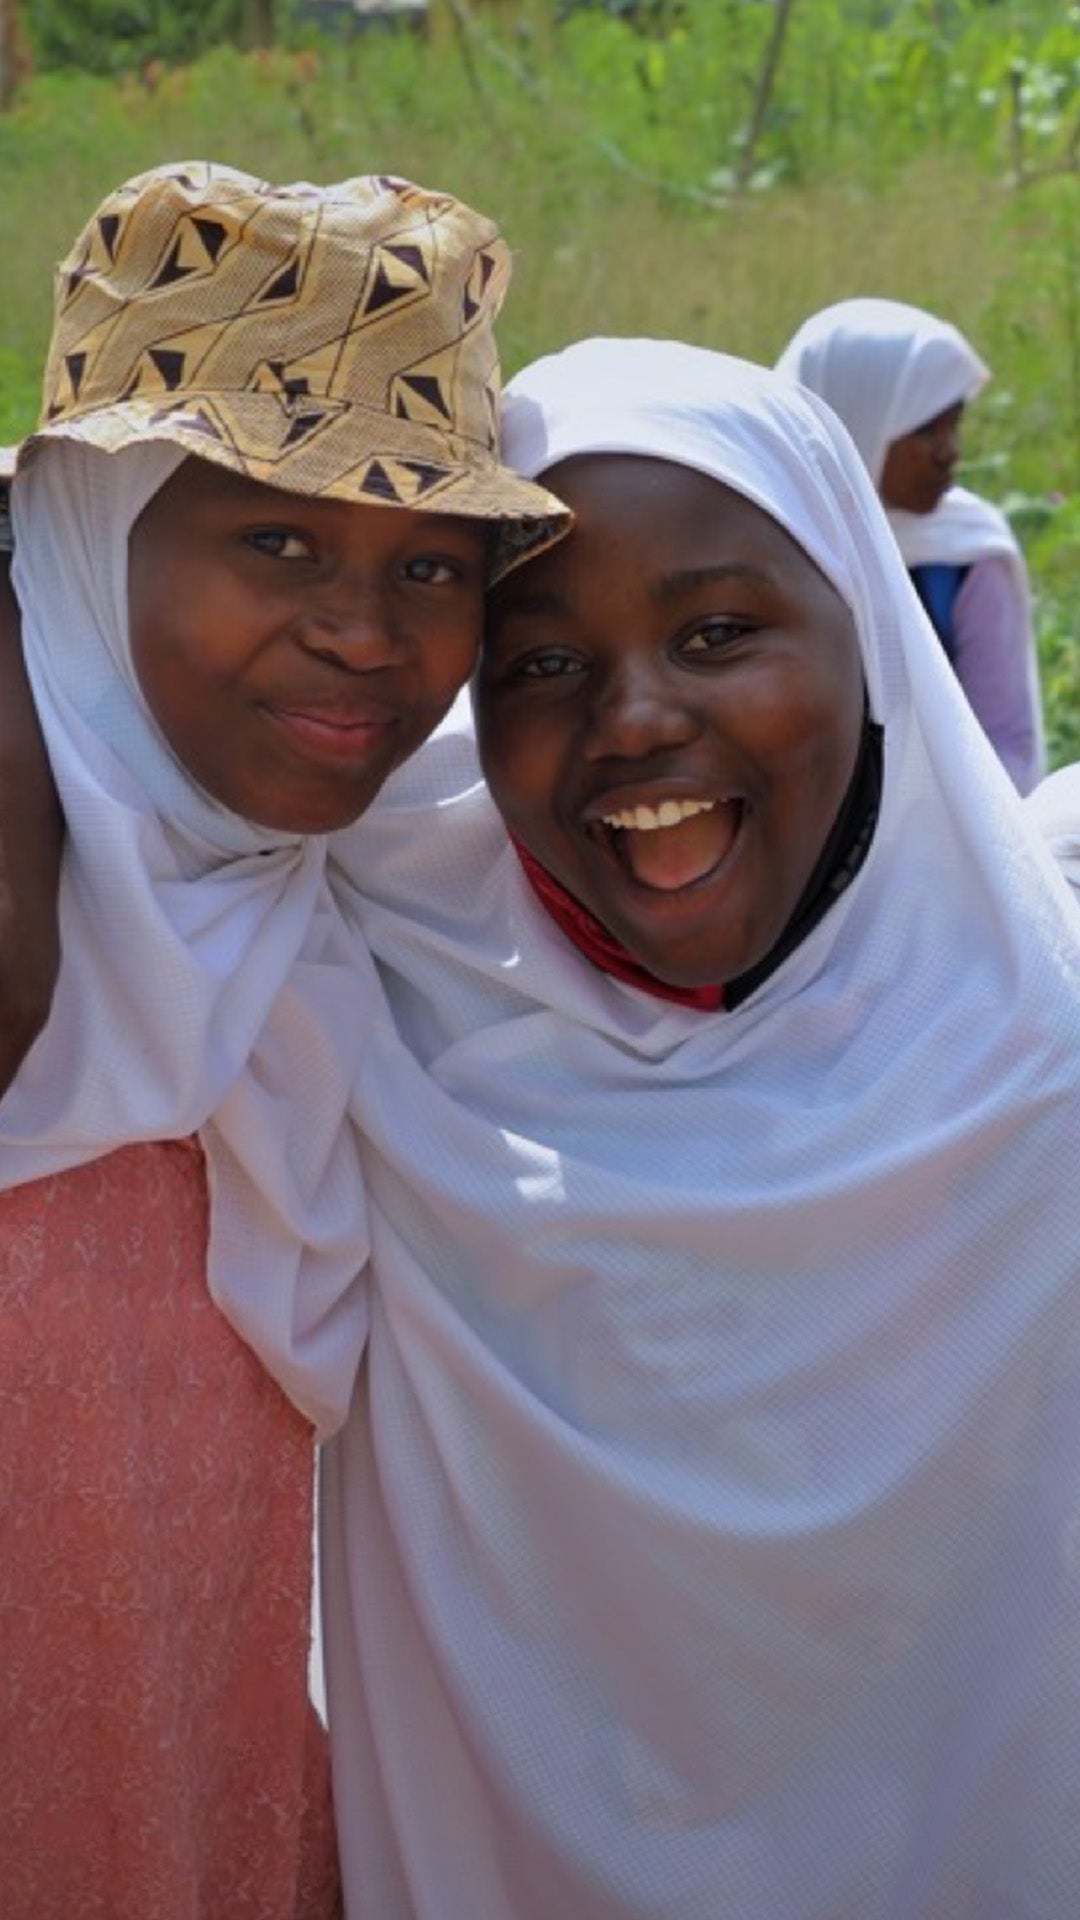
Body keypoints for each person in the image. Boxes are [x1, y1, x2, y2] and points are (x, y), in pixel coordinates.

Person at [316, 339, 1080, 1917]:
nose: (637, 718)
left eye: (722, 630)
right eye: (539, 664)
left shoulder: (1031, 1069)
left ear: (867, 634)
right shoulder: (374, 994)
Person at [0, 159, 566, 1920]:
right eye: (275, 538)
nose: (366, 633)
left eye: (433, 567)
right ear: (93, 530)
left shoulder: (356, 891)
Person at [775, 296, 1045, 794]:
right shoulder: (775, 546)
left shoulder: (964, 555)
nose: (950, 452)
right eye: (925, 430)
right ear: (853, 423)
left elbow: (1004, 739)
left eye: (954, 424)